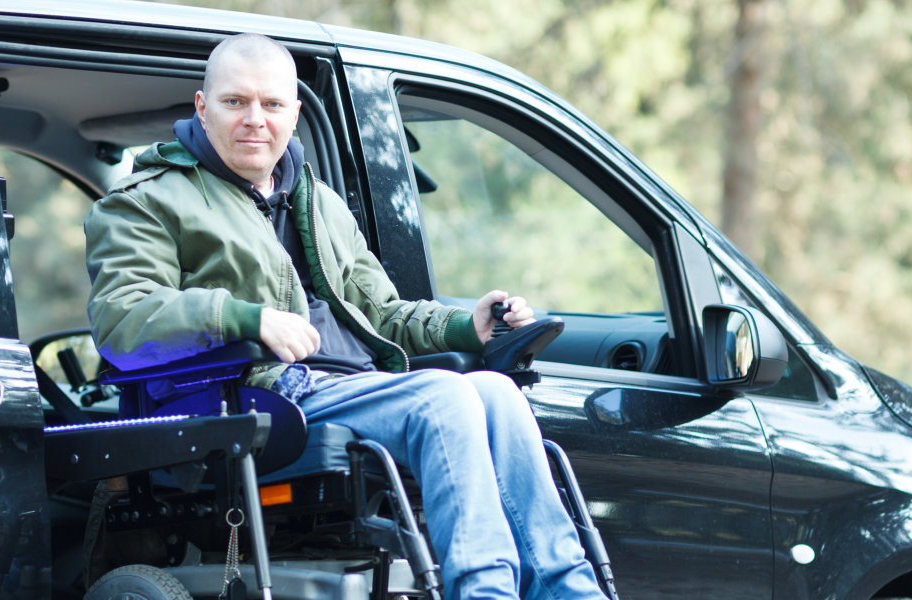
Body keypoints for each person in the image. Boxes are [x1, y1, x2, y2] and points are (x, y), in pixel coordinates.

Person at [83, 32, 609, 600]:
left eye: (272, 104)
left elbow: (380, 312)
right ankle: (486, 593)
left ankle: (570, 591)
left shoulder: (319, 202)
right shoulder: (146, 199)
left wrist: (469, 326)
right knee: (445, 396)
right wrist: (245, 318)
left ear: (295, 114)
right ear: (202, 107)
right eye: (236, 102)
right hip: (256, 394)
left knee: (497, 393)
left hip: (352, 385)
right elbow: (122, 320)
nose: (255, 119)